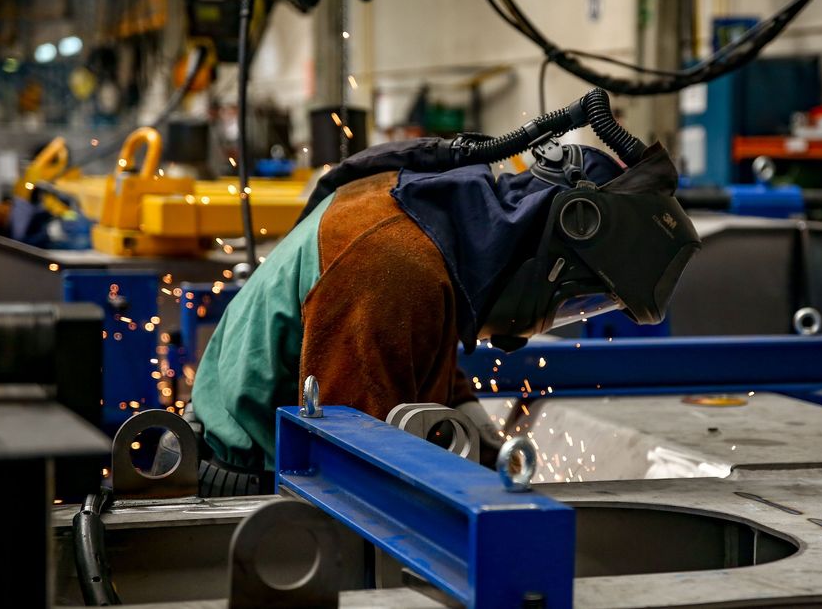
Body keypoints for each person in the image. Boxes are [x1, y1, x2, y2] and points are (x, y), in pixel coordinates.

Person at [186, 88, 700, 495]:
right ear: (567, 235)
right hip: (247, 488)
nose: (562, 314)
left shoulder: (434, 233)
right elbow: (351, 472)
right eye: (581, 300)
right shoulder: (391, 261)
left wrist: (477, 429)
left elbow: (420, 353)